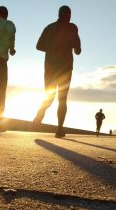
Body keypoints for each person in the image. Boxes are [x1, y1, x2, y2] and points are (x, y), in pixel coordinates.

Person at [33, 5, 81, 138]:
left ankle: (40, 112)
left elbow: (38, 46)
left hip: (50, 67)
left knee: (49, 95)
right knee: (62, 98)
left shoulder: (49, 27)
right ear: (69, 15)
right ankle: (59, 129)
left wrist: (52, 48)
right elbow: (78, 49)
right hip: (65, 68)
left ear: (59, 14)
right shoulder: (72, 27)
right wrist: (74, 49)